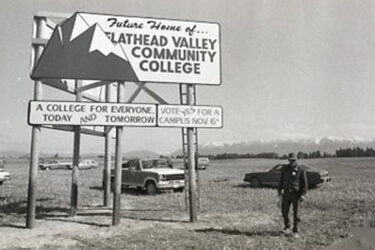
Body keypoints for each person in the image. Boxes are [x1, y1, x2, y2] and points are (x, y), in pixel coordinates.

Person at [278, 152, 308, 238]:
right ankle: (287, 226)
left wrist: (303, 194)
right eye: (290, 160)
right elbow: (281, 181)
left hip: (296, 194)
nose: (292, 162)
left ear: (296, 160)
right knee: (284, 211)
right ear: (288, 160)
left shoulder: (301, 170)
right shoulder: (285, 169)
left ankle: (295, 230)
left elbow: (304, 184)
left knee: (296, 214)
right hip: (286, 194)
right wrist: (279, 192)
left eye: (293, 160)